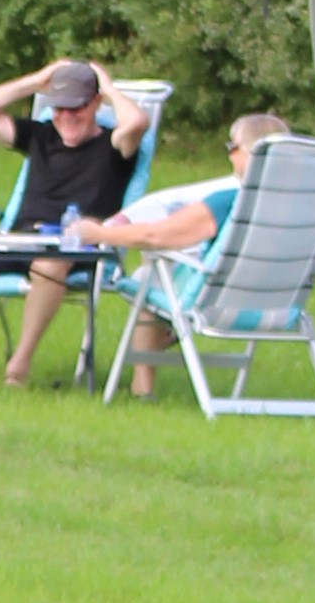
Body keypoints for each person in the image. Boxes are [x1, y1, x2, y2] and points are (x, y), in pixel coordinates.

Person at [0, 56, 154, 388]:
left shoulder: (114, 147)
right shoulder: (40, 136)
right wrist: (35, 81)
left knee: (50, 265)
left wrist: (110, 88)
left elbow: (137, 124)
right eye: (59, 108)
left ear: (95, 104)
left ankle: (19, 365)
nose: (66, 116)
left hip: (74, 249)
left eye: (77, 107)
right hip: (18, 241)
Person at [75, 112, 293, 397]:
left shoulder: (230, 200)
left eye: (233, 147)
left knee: (150, 271)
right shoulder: (300, 204)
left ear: (251, 152)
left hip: (215, 303)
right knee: (161, 269)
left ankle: (143, 387)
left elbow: (157, 235)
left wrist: (98, 234)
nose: (229, 155)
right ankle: (152, 363)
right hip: (279, 303)